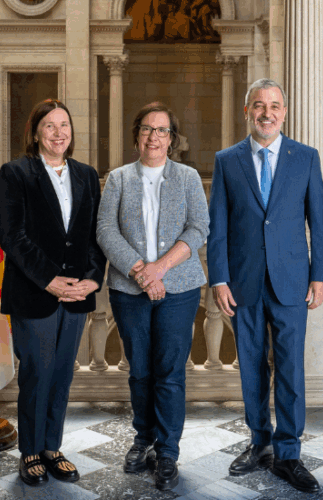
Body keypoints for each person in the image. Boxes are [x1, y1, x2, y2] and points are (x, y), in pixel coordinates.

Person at [206, 79, 323, 494]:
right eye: (259, 105)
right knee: (251, 365)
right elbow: (218, 225)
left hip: (292, 281)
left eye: (275, 105)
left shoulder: (306, 157)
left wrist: (320, 275)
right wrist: (219, 278)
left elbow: (318, 221)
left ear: (284, 113)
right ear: (247, 111)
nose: (267, 113)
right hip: (243, 282)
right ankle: (259, 441)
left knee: (291, 368)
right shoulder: (227, 160)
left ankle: (289, 453)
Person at [96, 102, 210, 491]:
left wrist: (159, 269)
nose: (154, 137)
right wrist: (140, 272)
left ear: (172, 139)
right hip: (129, 290)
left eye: (162, 130)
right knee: (140, 370)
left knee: (170, 373)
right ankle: (143, 438)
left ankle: (167, 452)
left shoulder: (188, 178)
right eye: (147, 129)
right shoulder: (118, 179)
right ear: (137, 136)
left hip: (179, 289)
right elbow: (105, 230)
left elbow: (199, 228)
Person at [0, 99, 106, 487]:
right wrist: (49, 280)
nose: (59, 133)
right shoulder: (15, 173)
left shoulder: (86, 175)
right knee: (37, 372)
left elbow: (94, 235)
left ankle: (52, 448)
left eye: (65, 125)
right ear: (36, 132)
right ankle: (30, 451)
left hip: (76, 294)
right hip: (34, 292)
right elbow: (12, 236)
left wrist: (93, 279)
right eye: (50, 126)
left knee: (61, 373)